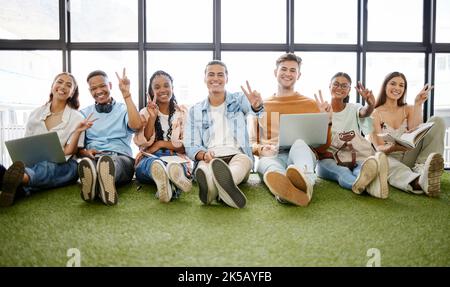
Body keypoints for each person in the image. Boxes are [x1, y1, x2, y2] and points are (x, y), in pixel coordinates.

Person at [0, 72, 94, 207]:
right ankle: (19, 187)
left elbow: (69, 151)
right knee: (38, 167)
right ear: (52, 86)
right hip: (33, 164)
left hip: (65, 167)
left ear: (72, 93)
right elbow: (26, 146)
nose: (63, 86)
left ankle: (20, 178)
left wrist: (78, 131)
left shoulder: (77, 118)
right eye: (59, 82)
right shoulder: (35, 114)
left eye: (68, 85)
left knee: (48, 166)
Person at [250, 52, 332, 207]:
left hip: (301, 153)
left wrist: (327, 122)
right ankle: (288, 190)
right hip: (272, 154)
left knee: (300, 143)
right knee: (268, 166)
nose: (288, 73)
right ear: (276, 72)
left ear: (299, 75)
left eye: (293, 70)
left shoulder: (312, 104)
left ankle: (300, 184)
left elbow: (323, 147)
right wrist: (261, 148)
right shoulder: (261, 105)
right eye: (284, 69)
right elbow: (252, 143)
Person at [184, 60, 264, 209]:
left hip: (237, 154)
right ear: (205, 79)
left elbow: (256, 111)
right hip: (210, 157)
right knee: (202, 168)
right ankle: (220, 188)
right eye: (211, 74)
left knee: (243, 162)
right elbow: (190, 144)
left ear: (227, 78)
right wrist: (203, 155)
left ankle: (215, 188)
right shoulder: (195, 110)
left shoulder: (239, 100)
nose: (216, 78)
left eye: (220, 75)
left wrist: (256, 105)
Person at [369, 71, 445, 196]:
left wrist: (418, 104)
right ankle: (417, 181)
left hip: (409, 155)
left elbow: (417, 135)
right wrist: (393, 147)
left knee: (437, 120)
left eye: (401, 85)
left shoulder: (408, 109)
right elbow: (379, 148)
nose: (397, 88)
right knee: (382, 160)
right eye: (393, 84)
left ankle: (422, 168)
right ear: (385, 86)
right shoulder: (375, 113)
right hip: (389, 157)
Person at [316, 72, 389, 199]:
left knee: (362, 169)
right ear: (329, 86)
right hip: (329, 159)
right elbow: (314, 139)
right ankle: (367, 186)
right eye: (336, 84)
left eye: (344, 86)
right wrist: (323, 117)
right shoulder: (322, 109)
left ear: (349, 90)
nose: (340, 88)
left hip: (356, 156)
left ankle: (369, 182)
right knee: (342, 172)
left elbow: (365, 113)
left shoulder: (354, 107)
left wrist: (371, 104)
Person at [78, 69, 142, 206]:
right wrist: (85, 152)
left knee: (112, 164)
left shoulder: (124, 109)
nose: (99, 91)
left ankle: (98, 181)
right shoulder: (84, 113)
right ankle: (100, 181)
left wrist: (127, 95)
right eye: (94, 88)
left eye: (102, 86)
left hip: (121, 157)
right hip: (94, 157)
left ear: (110, 86)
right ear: (90, 91)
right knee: (91, 164)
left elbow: (137, 125)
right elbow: (79, 147)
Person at [133, 70, 192, 203]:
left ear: (172, 88)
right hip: (150, 158)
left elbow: (185, 146)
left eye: (166, 85)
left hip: (175, 156)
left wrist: (160, 144)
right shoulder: (145, 112)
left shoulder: (182, 113)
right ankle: (169, 182)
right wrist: (152, 118)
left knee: (177, 166)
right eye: (157, 87)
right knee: (150, 166)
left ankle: (167, 182)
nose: (162, 90)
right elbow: (144, 144)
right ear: (151, 91)